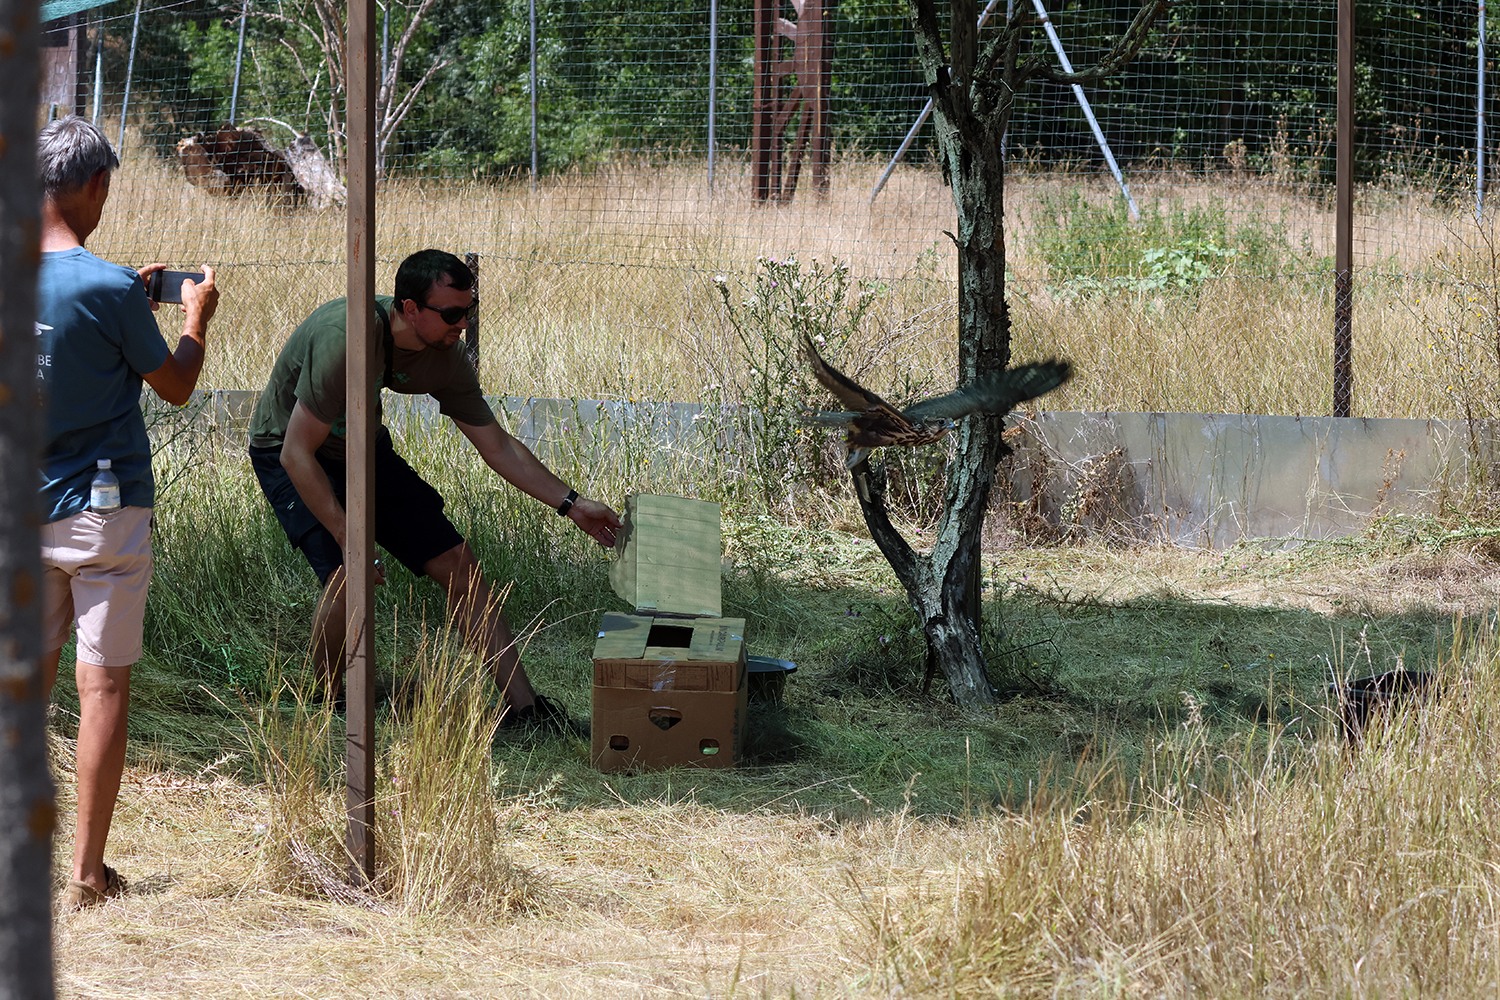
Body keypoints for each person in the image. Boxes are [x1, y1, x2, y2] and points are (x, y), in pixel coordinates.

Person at [247, 248, 620, 733]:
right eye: (450, 314)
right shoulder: (346, 338)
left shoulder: (445, 356)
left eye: (468, 311)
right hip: (290, 451)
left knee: (458, 563)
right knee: (345, 572)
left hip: (362, 448)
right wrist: (349, 534)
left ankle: (527, 712)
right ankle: (330, 703)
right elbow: (297, 453)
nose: (461, 324)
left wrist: (572, 504)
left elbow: (498, 446)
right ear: (409, 309)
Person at [36, 116, 219, 911]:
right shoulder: (110, 287)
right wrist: (195, 316)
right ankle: (83, 875)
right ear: (94, 186)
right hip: (104, 514)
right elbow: (174, 385)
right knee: (101, 691)